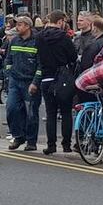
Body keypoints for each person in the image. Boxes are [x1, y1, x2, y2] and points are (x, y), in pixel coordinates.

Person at [37, 11, 77, 155]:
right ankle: (66, 145)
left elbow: (38, 55)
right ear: (60, 22)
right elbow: (72, 56)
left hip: (46, 78)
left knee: (50, 113)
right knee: (66, 112)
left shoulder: (40, 37)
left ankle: (51, 145)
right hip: (62, 78)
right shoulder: (64, 37)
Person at [4, 16, 41, 151]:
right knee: (11, 108)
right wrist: (8, 74)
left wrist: (35, 82)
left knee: (31, 112)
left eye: (20, 25)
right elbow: (8, 59)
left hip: (30, 82)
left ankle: (31, 141)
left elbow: (40, 64)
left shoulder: (37, 42)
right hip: (15, 80)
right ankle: (18, 136)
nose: (17, 27)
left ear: (27, 26)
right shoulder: (14, 40)